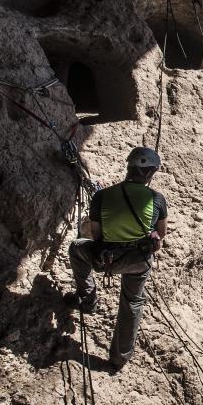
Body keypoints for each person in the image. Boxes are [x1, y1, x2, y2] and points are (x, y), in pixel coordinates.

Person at [65, 146, 167, 371]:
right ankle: (120, 358)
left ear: (128, 167)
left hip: (106, 259)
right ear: (151, 173)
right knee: (132, 303)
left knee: (76, 248)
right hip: (138, 261)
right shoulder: (157, 199)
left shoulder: (102, 196)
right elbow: (161, 233)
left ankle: (88, 299)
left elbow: (96, 234)